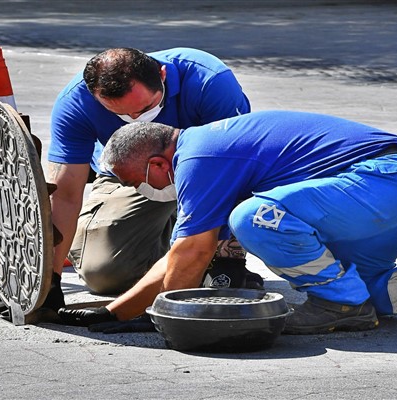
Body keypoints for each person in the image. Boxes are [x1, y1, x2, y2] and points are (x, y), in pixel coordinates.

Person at [58, 110, 397, 336]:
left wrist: (162, 320)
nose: (139, 191)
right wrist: (114, 311)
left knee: (254, 218)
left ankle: (338, 305)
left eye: (135, 181)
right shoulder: (207, 152)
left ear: (159, 164)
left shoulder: (197, 156)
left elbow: (190, 255)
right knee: (369, 292)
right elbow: (181, 257)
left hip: (388, 181)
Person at [42, 47, 259, 309]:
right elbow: (65, 194)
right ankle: (175, 246)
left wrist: (227, 258)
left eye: (145, 108)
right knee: (102, 274)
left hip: (209, 174)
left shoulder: (209, 81)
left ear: (163, 75)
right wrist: (48, 279)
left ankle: (203, 251)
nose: (135, 120)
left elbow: (237, 167)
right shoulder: (76, 102)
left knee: (212, 264)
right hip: (130, 176)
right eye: (120, 114)